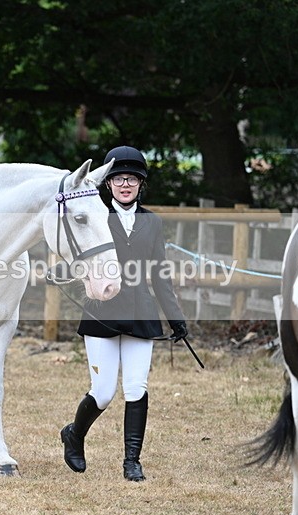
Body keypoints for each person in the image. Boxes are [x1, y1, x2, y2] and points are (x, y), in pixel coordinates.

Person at [60, 145, 189, 482]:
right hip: (101, 312)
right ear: (108, 183)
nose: (125, 184)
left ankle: (132, 461)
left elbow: (160, 273)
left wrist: (175, 317)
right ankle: (74, 435)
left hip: (141, 313)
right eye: (119, 179)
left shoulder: (153, 222)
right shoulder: (96, 215)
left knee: (136, 388)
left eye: (132, 179)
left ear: (141, 184)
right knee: (103, 391)